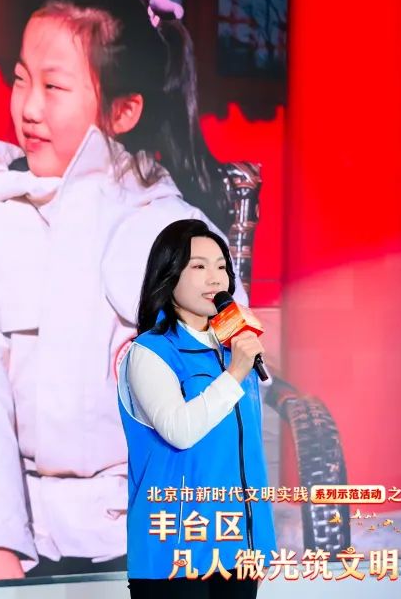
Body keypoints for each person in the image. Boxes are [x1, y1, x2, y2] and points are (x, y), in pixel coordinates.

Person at [0, 0, 246, 583]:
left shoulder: (177, 234)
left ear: (123, 110)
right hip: (16, 537)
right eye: (20, 79)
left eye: (54, 86)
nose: (28, 108)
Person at [117, 218, 275, 598]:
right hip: (175, 554)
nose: (215, 278)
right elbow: (180, 431)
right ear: (168, 275)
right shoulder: (150, 352)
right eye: (199, 266)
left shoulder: (233, 347)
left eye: (221, 267)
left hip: (238, 548)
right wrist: (235, 373)